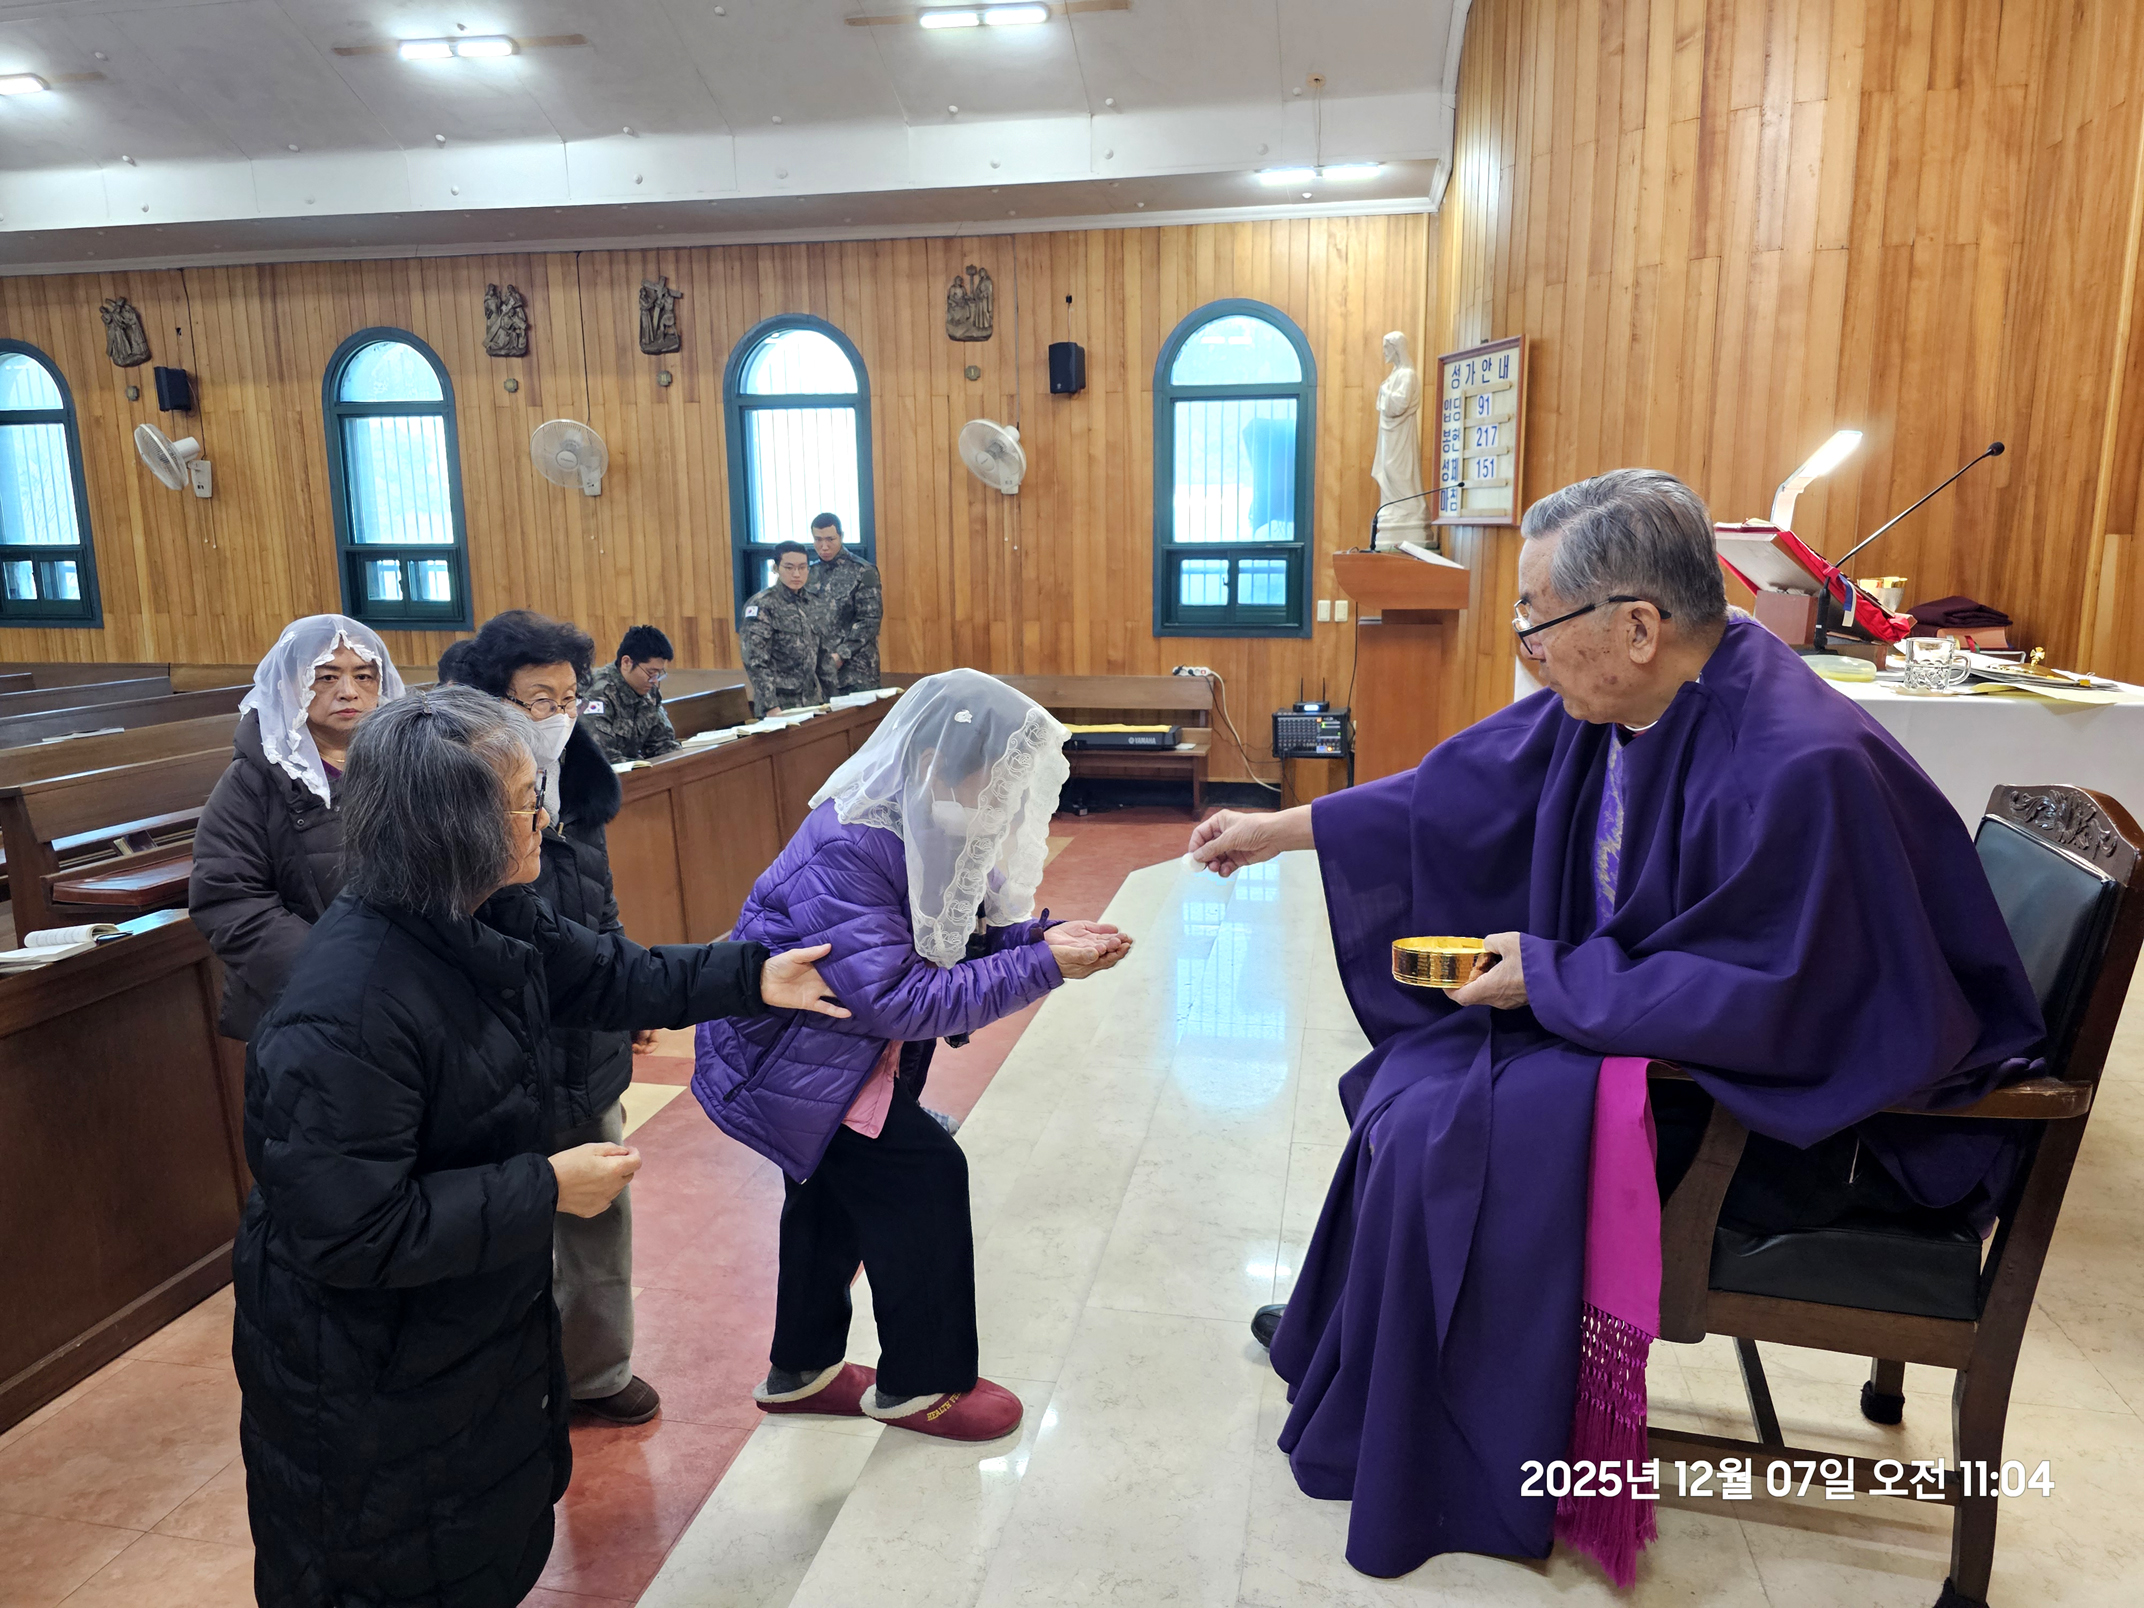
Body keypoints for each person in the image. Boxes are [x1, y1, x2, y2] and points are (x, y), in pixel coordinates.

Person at [1190, 468, 2042, 1581]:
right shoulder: (1645, 695)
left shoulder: (1799, 763)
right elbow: (1458, 793)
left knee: (1446, 1129)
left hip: (1807, 1125)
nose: (1528, 649)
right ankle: (1369, 1348)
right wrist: (1279, 831)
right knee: (1420, 1075)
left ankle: (1452, 1440)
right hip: (1687, 1047)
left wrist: (1549, 979)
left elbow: (1792, 998)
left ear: (1637, 625)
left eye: (1537, 620)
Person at [233, 687, 846, 1608]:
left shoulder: (479, 912)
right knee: (393, 1568)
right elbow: (353, 1234)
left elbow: (609, 973)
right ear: (453, 826)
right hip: (365, 1377)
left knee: (484, 1537)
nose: (547, 822)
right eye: (527, 803)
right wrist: (546, 1187)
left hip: (456, 1334)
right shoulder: (348, 1007)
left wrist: (754, 975)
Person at [692, 669, 1131, 1440]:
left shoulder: (927, 820)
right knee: (924, 1175)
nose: (1005, 800)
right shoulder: (855, 844)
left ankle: (800, 1373)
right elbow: (900, 997)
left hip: (833, 1055)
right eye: (998, 780)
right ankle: (923, 1385)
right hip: (791, 1061)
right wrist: (1044, 967)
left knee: (828, 1198)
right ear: (937, 764)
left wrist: (1041, 937)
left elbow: (953, 933)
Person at [441, 609, 663, 1425]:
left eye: (570, 699)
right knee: (509, 1208)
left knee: (600, 1200)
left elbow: (599, 901)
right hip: (494, 1041)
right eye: (539, 699)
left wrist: (627, 988)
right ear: (491, 700)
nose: (559, 716)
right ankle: (507, 1379)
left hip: (582, 1028)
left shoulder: (580, 779)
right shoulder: (457, 787)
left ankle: (597, 1370)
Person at [190, 614, 405, 1040]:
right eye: (326, 678)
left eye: (364, 676)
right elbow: (230, 898)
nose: (349, 691)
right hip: (308, 1003)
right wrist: (334, 972)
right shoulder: (252, 781)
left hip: (410, 987)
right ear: (291, 686)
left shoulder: (409, 763)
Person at [740, 541, 824, 715]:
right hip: (780, 704)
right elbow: (755, 660)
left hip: (811, 701)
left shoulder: (813, 602)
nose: (796, 574)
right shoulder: (762, 605)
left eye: (802, 567)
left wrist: (832, 697)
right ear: (776, 568)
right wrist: (770, 705)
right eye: (789, 568)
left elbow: (821, 655)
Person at [804, 512, 883, 695]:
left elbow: (870, 620)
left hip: (856, 671)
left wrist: (842, 654)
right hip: (820, 672)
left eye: (830, 539)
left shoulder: (863, 571)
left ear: (841, 536)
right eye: (818, 539)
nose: (824, 546)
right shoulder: (809, 573)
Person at [582, 624, 683, 762]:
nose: (654, 680)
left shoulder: (649, 693)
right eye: (650, 672)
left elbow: (662, 743)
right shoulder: (597, 694)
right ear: (626, 662)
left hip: (635, 769)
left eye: (658, 674)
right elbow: (603, 758)